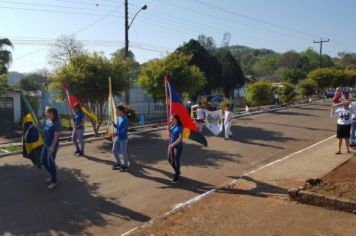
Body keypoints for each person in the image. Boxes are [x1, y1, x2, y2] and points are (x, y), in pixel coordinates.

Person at [42, 107, 61, 189]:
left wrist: (52, 146)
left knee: (51, 163)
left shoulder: (56, 123)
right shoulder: (46, 121)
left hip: (52, 146)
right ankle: (53, 175)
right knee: (43, 161)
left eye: (46, 112)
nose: (44, 113)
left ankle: (54, 181)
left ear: (51, 113)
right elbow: (42, 130)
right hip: (45, 144)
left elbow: (56, 136)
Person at [112, 105, 129, 171]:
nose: (116, 111)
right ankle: (119, 163)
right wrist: (114, 125)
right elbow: (118, 128)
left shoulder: (125, 118)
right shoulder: (118, 118)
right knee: (114, 150)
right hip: (117, 137)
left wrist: (116, 133)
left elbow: (124, 130)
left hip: (123, 138)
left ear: (121, 111)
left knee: (123, 153)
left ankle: (126, 166)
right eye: (116, 110)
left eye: (117, 110)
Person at [169, 114, 183, 183]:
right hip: (171, 145)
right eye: (171, 119)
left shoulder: (179, 127)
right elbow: (171, 134)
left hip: (178, 146)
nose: (171, 120)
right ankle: (177, 171)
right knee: (170, 160)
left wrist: (173, 145)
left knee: (176, 161)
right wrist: (168, 129)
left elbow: (180, 138)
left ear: (176, 120)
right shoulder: (172, 126)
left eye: (173, 119)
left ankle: (177, 176)